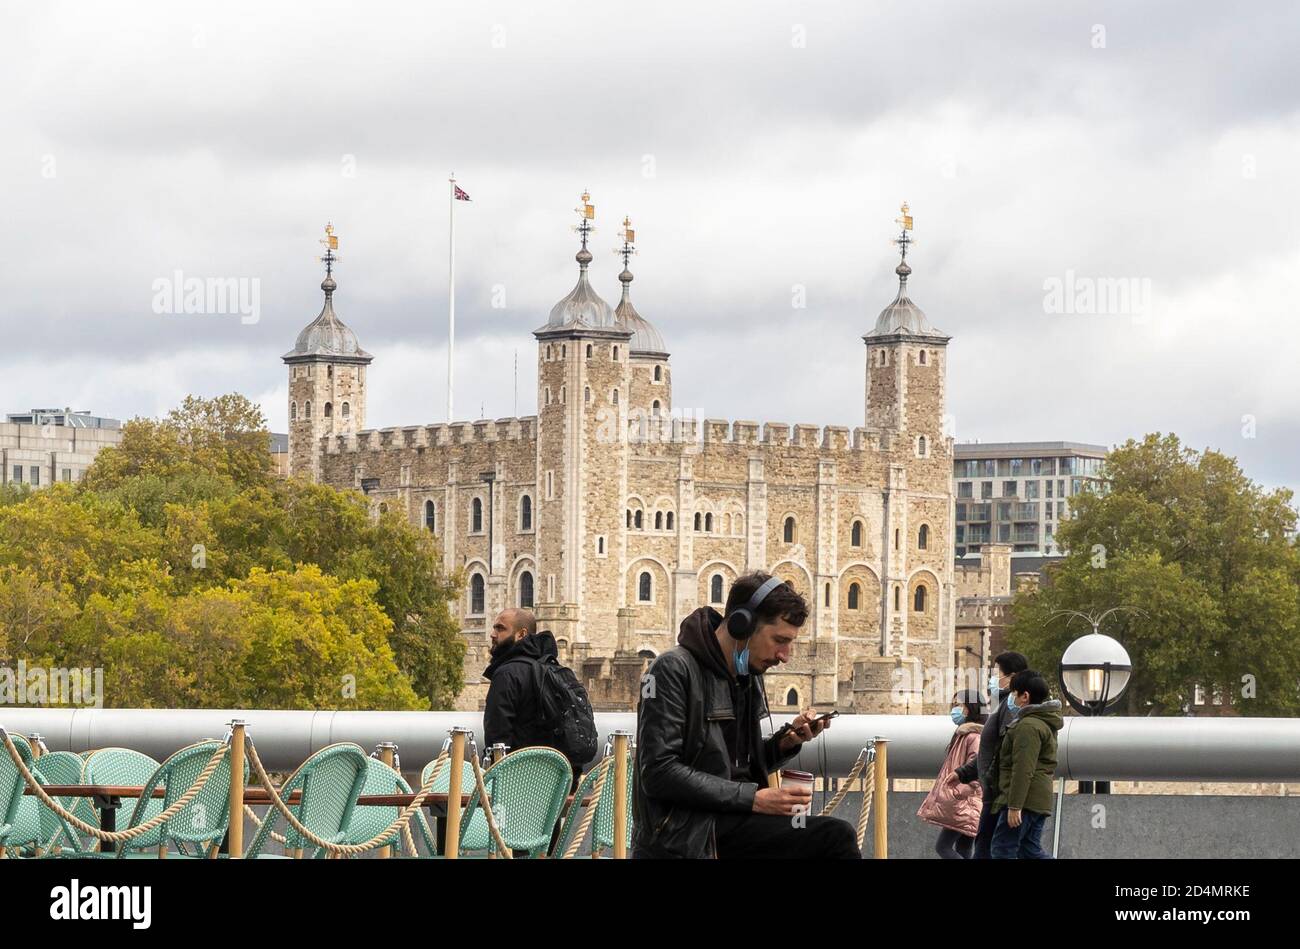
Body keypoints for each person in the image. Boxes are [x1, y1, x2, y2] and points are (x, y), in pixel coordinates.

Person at [632, 571, 861, 859]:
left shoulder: (746, 674)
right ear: (742, 625)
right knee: (834, 837)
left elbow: (733, 766)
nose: (785, 655)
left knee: (822, 835)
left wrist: (783, 744)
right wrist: (753, 799)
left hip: (733, 822)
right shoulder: (671, 670)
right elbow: (658, 772)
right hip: (690, 833)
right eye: (779, 640)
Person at [949, 650, 1029, 858]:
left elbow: (1001, 747)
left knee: (990, 848)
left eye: (996, 673)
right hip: (996, 789)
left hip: (998, 791)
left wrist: (968, 773)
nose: (993, 679)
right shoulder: (1002, 704)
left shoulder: (1010, 707)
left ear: (1011, 677)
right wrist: (963, 773)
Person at [989, 670, 1062, 859]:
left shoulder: (1028, 726)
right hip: (1037, 798)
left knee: (1002, 849)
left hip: (1024, 800)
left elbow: (1023, 768)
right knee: (1029, 851)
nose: (1013, 699)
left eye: (1015, 694)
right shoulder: (1043, 722)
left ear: (1025, 696)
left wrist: (1014, 806)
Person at [918, 690, 985, 858]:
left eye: (958, 705)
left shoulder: (973, 737)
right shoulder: (964, 735)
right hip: (967, 802)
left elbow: (976, 768)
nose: (954, 710)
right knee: (964, 849)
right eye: (953, 705)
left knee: (943, 847)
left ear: (970, 707)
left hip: (963, 801)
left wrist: (957, 793)